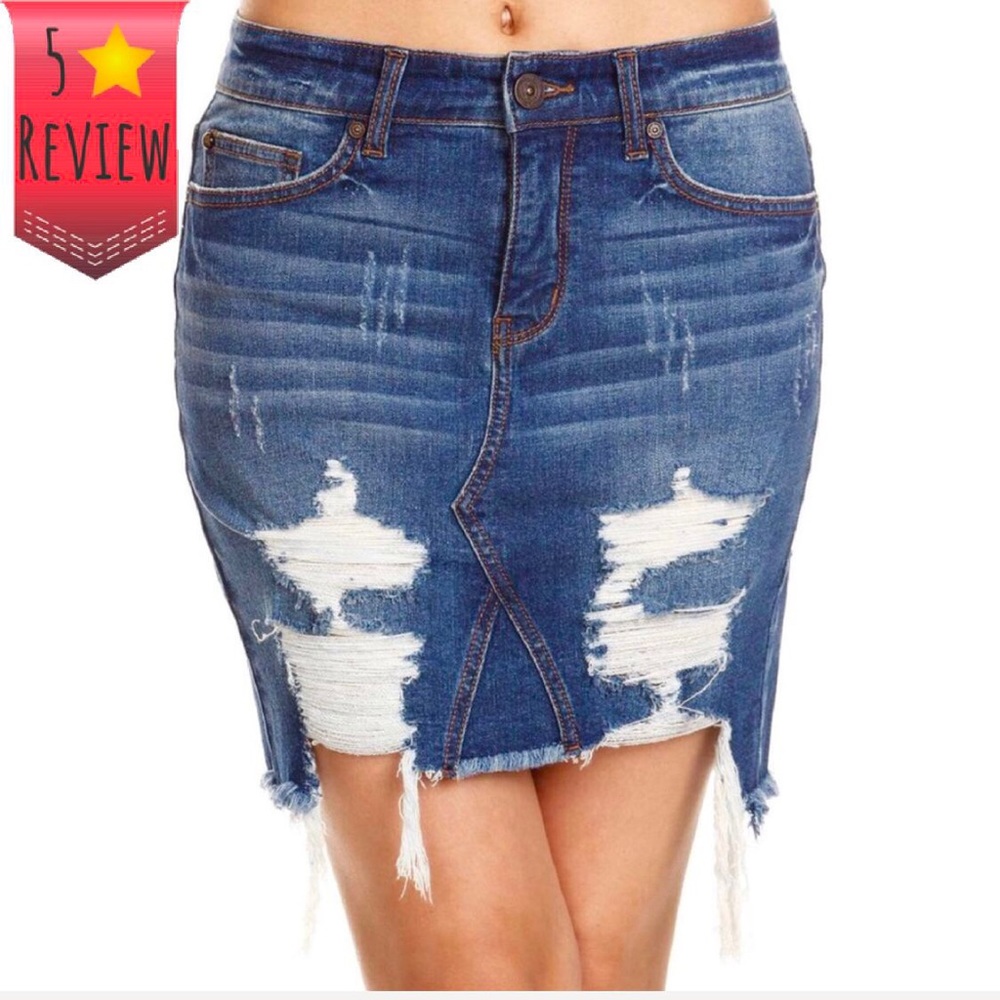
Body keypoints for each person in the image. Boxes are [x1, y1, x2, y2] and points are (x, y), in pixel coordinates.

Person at [173, 0, 825, 988]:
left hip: (688, 214)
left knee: (604, 969)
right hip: (324, 218)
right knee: (487, 969)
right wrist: (78, 197)